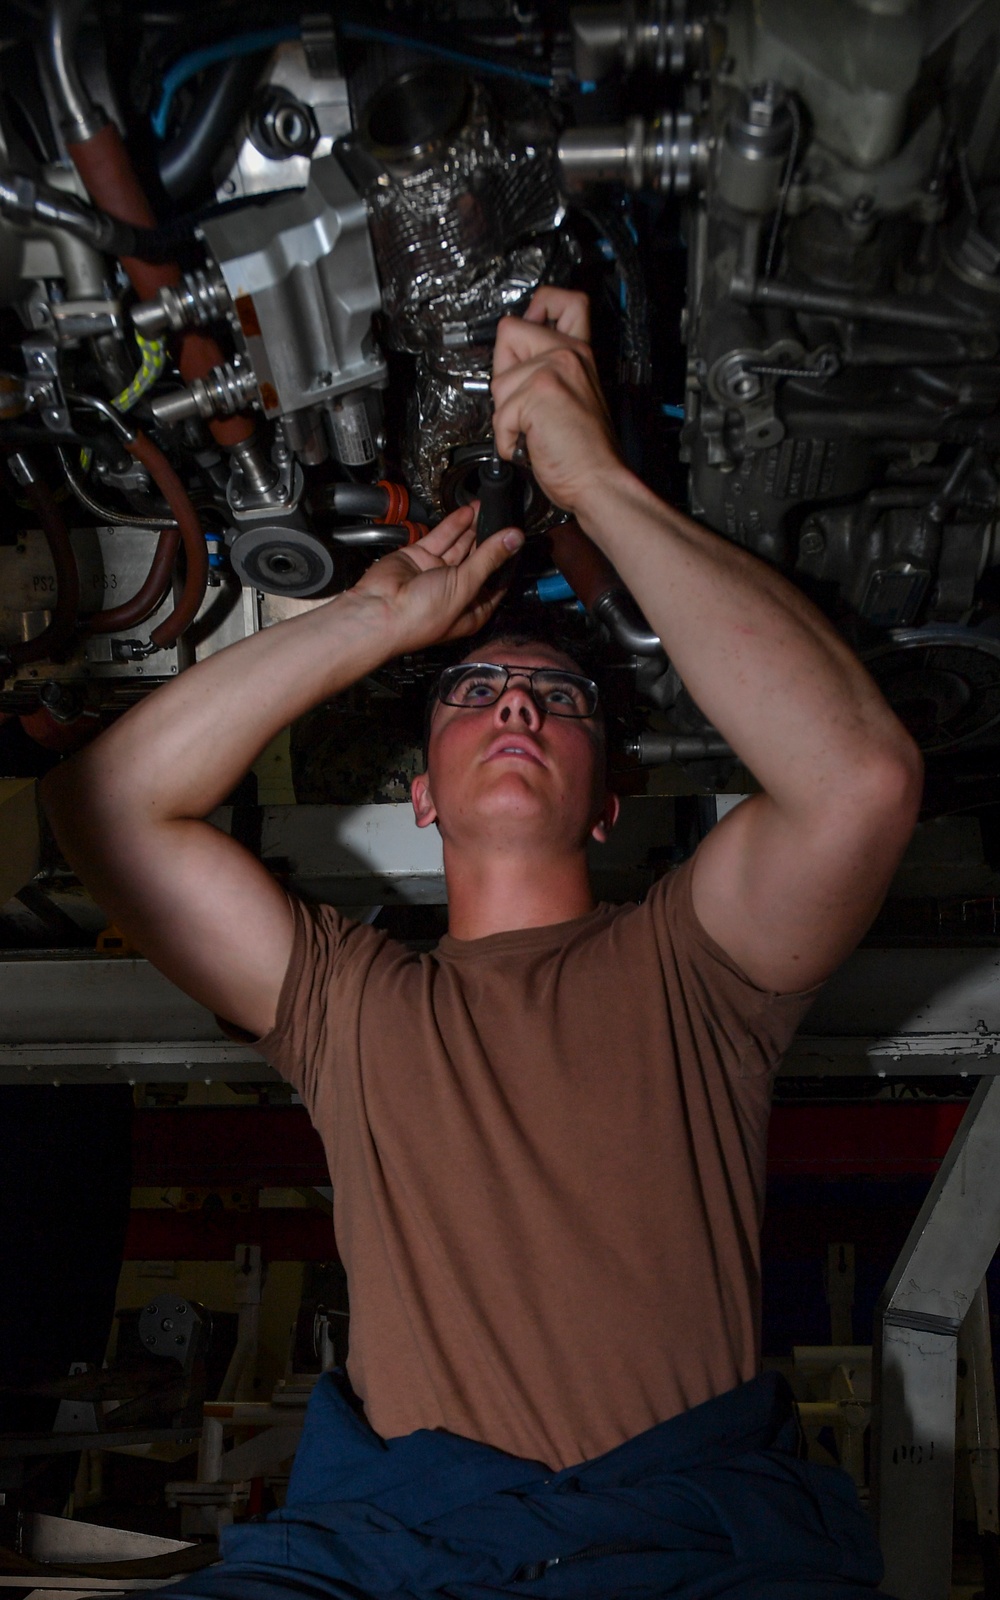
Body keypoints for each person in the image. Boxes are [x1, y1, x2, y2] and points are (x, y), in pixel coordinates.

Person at [42, 289, 921, 1599]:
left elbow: (859, 781)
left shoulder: (698, 968)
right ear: (425, 796)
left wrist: (595, 480)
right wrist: (376, 621)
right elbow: (104, 810)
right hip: (391, 1552)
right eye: (477, 692)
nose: (516, 698)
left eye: (559, 699)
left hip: (680, 1546)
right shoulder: (346, 999)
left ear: (608, 795)